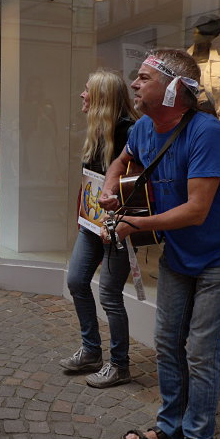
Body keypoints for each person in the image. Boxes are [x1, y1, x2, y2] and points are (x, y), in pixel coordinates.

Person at [100, 49, 220, 439]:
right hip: (180, 254)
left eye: (144, 77)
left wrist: (133, 224)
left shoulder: (208, 134)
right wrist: (112, 186)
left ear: (172, 89)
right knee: (167, 343)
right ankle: (170, 430)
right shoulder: (146, 127)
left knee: (201, 352)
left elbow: (197, 210)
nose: (134, 84)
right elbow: (121, 161)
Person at [60, 70, 139, 388]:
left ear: (102, 98)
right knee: (77, 280)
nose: (82, 95)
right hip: (92, 224)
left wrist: (121, 222)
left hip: (117, 226)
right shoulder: (97, 131)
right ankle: (91, 350)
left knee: (109, 294)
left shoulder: (130, 132)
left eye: (87, 90)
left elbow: (136, 185)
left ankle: (120, 364)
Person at [186, 14, 220, 127]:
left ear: (212, 36)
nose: (196, 34)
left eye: (202, 32)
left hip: (208, 116)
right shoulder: (183, 60)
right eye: (196, 30)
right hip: (184, 115)